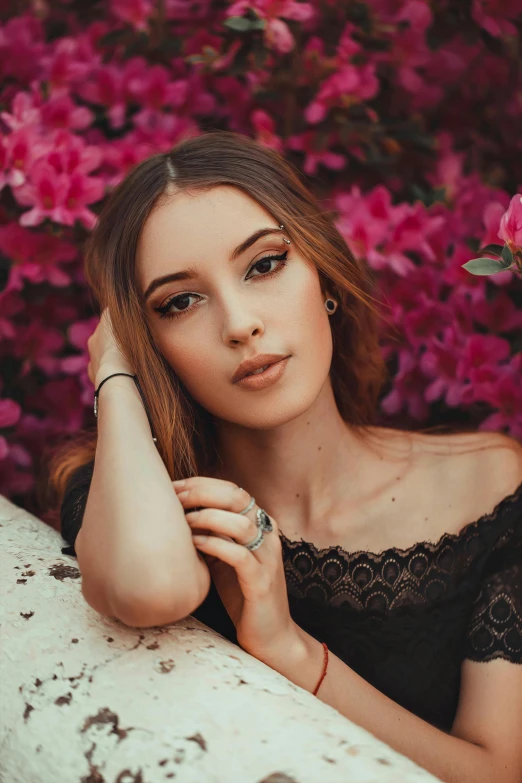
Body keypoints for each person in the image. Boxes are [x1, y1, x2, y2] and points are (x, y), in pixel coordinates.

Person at [51, 131, 522, 782]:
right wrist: (113, 366)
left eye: (264, 264)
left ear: (322, 274)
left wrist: (288, 648)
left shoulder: (491, 482)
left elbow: (497, 772)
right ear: (149, 341)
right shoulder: (138, 502)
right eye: (179, 302)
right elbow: (149, 585)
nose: (240, 324)